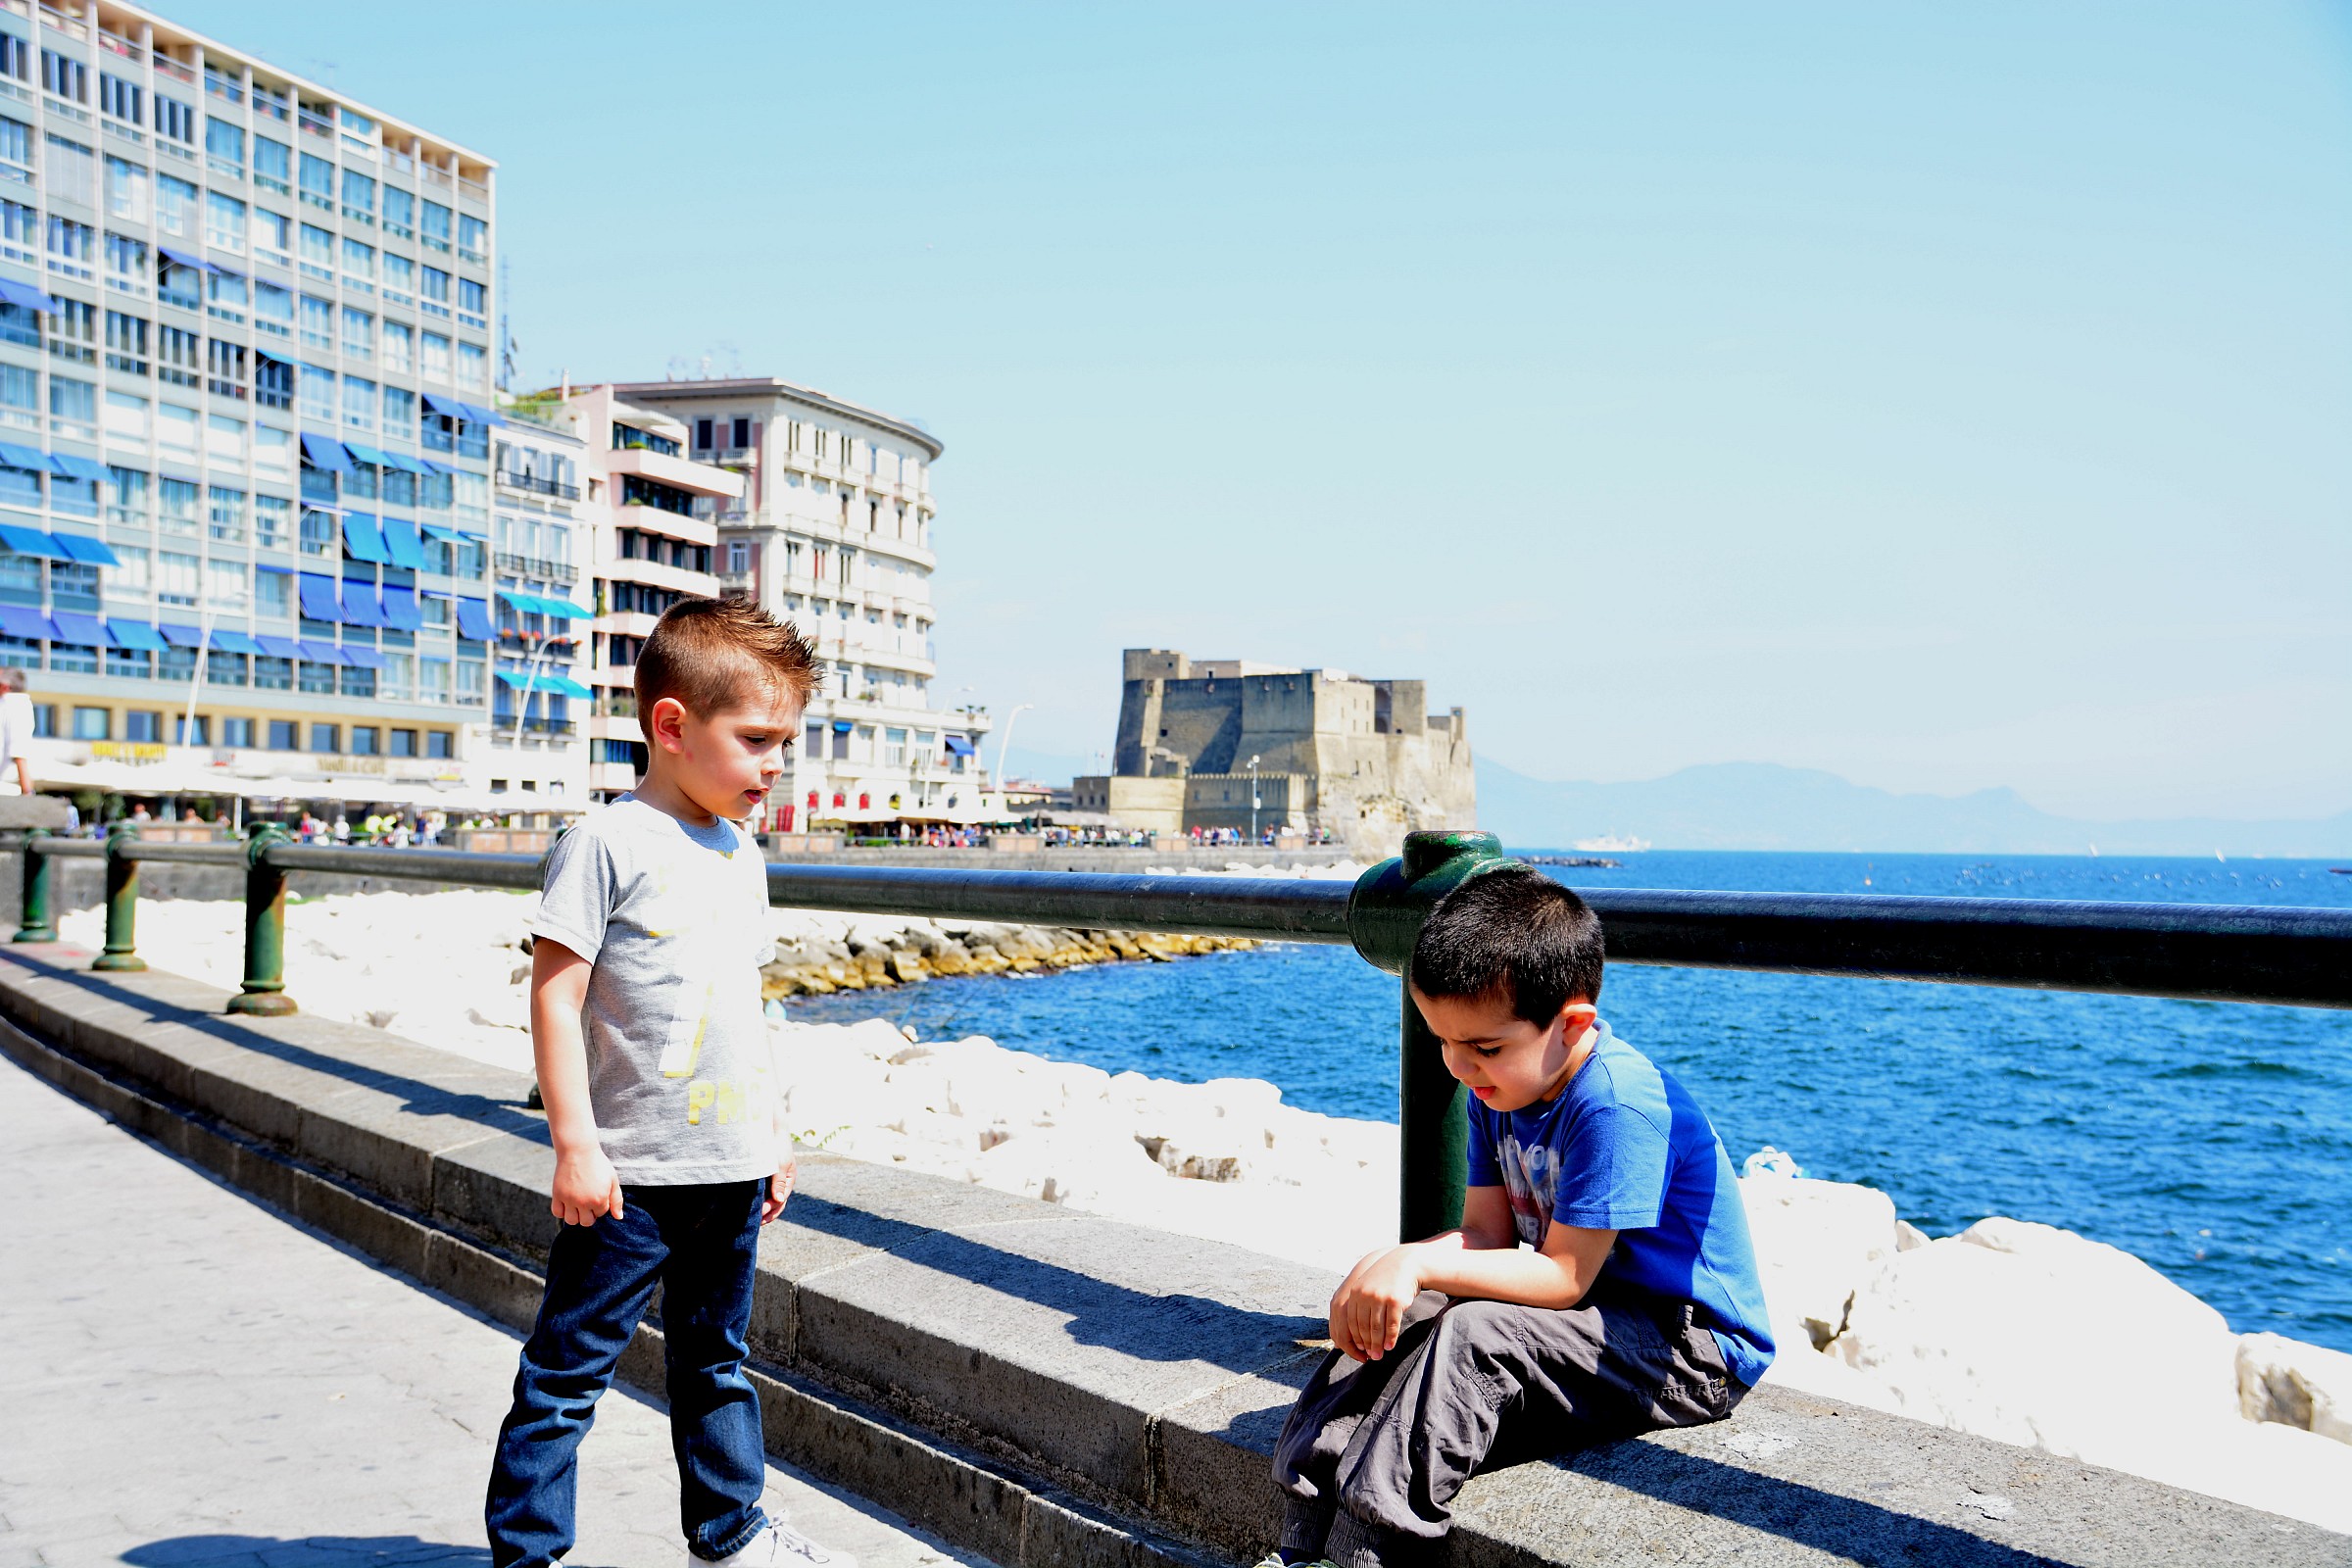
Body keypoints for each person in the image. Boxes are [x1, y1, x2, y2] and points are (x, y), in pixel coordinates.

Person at [1264, 869, 1772, 1568]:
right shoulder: (1499, 1087)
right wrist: (1391, 1267)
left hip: (1686, 1350)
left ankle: (1370, 1551)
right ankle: (1302, 1536)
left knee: (1473, 1330)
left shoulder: (1616, 1106)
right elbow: (1485, 1237)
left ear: (1570, 1026)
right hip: (1590, 1323)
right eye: (1444, 1042)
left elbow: (1563, 1275)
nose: (1459, 1066)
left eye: (1484, 1048)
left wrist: (1418, 1259)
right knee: (1413, 1310)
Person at [484, 596, 838, 1568]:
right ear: (672, 726)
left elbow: (744, 1003)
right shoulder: (604, 844)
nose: (776, 764)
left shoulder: (742, 852)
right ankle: (531, 1553)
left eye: (786, 743)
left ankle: (728, 1538)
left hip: (726, 1165)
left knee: (716, 1361)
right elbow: (556, 1000)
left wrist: (771, 1133)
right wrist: (575, 1145)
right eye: (758, 739)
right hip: (627, 1177)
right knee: (566, 1371)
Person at [0, 666, 32, 796]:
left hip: (6, 791)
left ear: (6, 686)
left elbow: (19, 753)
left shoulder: (15, 705)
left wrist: (27, 793)